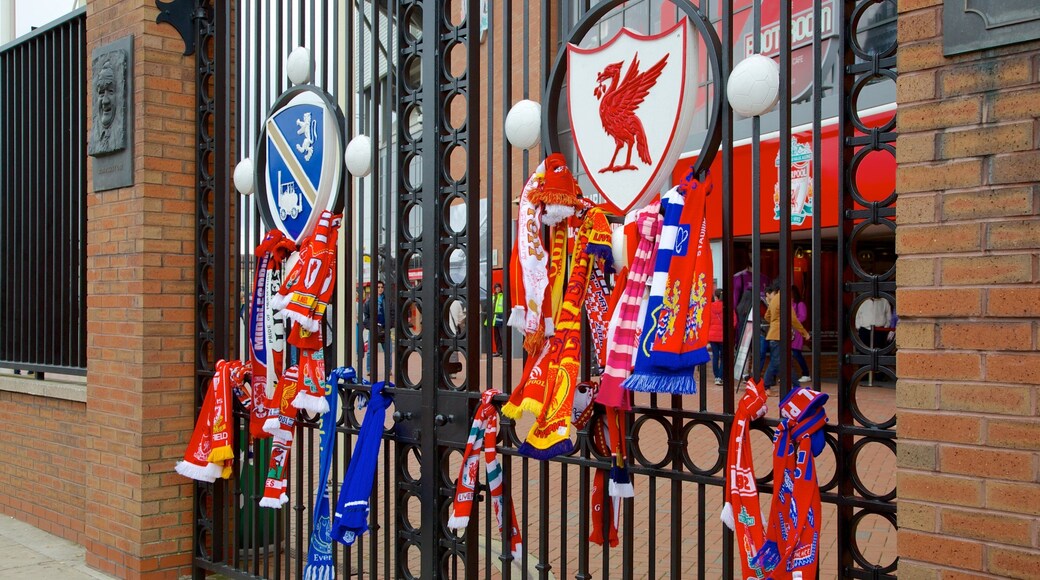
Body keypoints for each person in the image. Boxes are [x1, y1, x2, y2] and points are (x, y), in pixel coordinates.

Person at [763, 280, 810, 394]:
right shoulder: (784, 299)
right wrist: (804, 333)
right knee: (777, 361)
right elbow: (793, 319)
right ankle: (766, 386)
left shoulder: (774, 300)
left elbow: (766, 316)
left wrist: (775, 323)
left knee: (785, 361)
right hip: (780, 335)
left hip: (774, 334)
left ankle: (796, 386)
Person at [707, 288, 731, 385]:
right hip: (723, 336)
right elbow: (733, 322)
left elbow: (707, 321)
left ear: (716, 297)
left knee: (715, 356)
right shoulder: (727, 307)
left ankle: (716, 376)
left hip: (712, 336)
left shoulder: (710, 307)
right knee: (723, 356)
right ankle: (720, 376)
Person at [791, 286, 811, 383]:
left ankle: (806, 373)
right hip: (790, 331)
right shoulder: (789, 303)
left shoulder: (800, 304)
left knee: (796, 353)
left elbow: (803, 317)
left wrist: (792, 322)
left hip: (797, 332)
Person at [486, 283, 505, 356]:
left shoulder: (503, 296)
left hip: (501, 317)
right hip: (494, 317)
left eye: (499, 287)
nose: (498, 289)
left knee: (502, 335)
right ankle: (499, 351)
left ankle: (504, 351)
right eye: (496, 288)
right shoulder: (493, 296)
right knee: (496, 336)